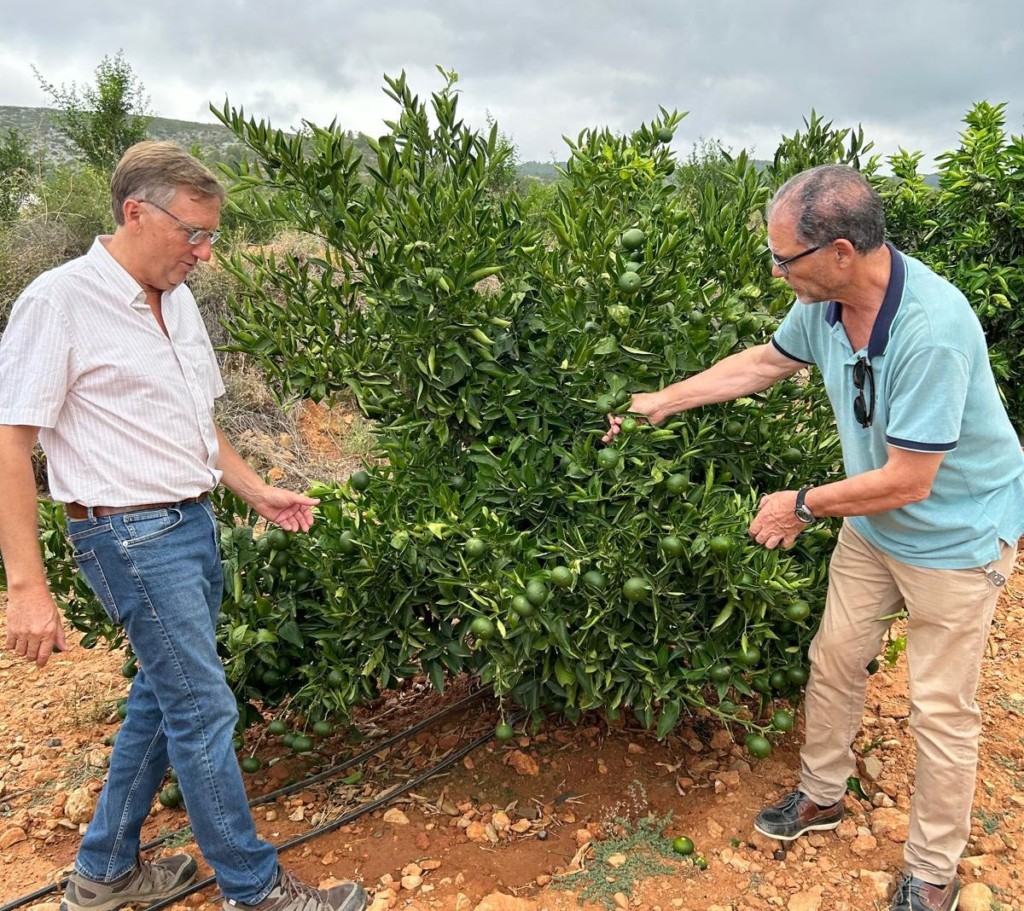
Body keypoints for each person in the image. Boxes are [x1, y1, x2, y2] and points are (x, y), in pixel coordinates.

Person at [605, 164, 1024, 911]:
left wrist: (802, 502)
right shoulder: (826, 307)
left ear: (838, 251)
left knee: (939, 705)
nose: (775, 273)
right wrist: (662, 401)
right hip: (873, 523)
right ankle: (823, 794)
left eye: (783, 258)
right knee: (833, 656)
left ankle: (932, 871)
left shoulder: (931, 330)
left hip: (956, 536)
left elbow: (911, 479)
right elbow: (767, 362)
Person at [0, 141, 367, 911]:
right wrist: (28, 585)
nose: (204, 252)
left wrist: (255, 489)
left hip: (190, 524)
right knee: (203, 709)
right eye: (191, 233)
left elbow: (196, 422)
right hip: (127, 537)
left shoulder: (182, 298)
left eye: (211, 236)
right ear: (136, 212)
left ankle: (104, 873)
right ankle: (254, 889)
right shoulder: (58, 301)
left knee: (166, 702)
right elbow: (11, 441)